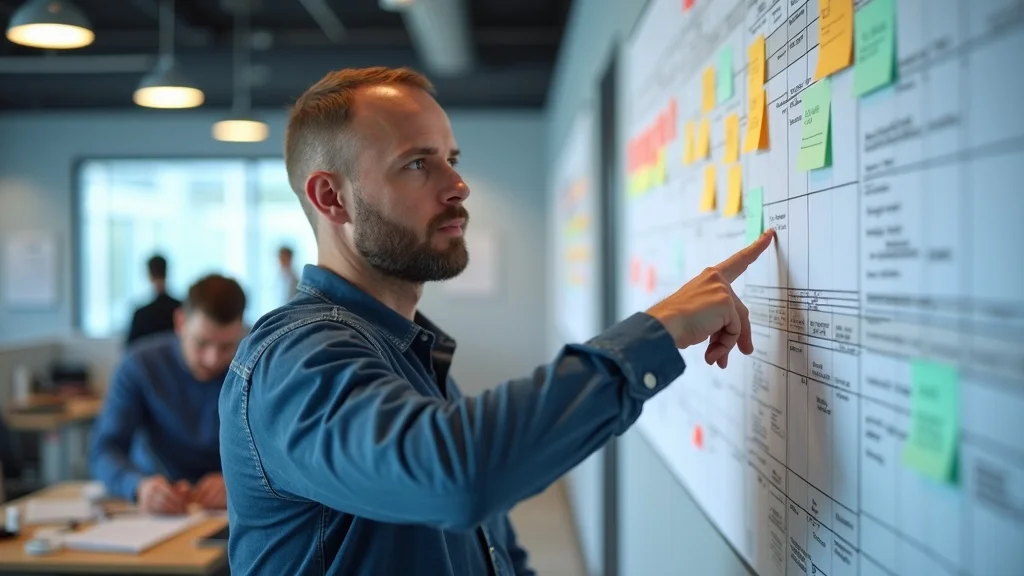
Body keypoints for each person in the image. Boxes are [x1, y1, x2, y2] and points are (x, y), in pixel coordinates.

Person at [218, 66, 775, 575]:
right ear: (331, 198)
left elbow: (493, 548)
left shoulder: (411, 352)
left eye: (452, 160)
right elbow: (455, 478)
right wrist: (658, 331)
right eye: (417, 163)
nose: (457, 186)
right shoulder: (294, 360)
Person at [92, 274, 246, 514]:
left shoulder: (253, 368)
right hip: (160, 502)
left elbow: (278, 455)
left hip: (230, 509)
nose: (213, 359)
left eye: (226, 346)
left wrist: (240, 481)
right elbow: (105, 450)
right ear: (180, 322)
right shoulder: (140, 365)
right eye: (202, 343)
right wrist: (138, 486)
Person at [125, 255, 182, 347]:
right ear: (167, 272)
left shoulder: (141, 314)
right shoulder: (181, 308)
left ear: (149, 275)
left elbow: (129, 349)